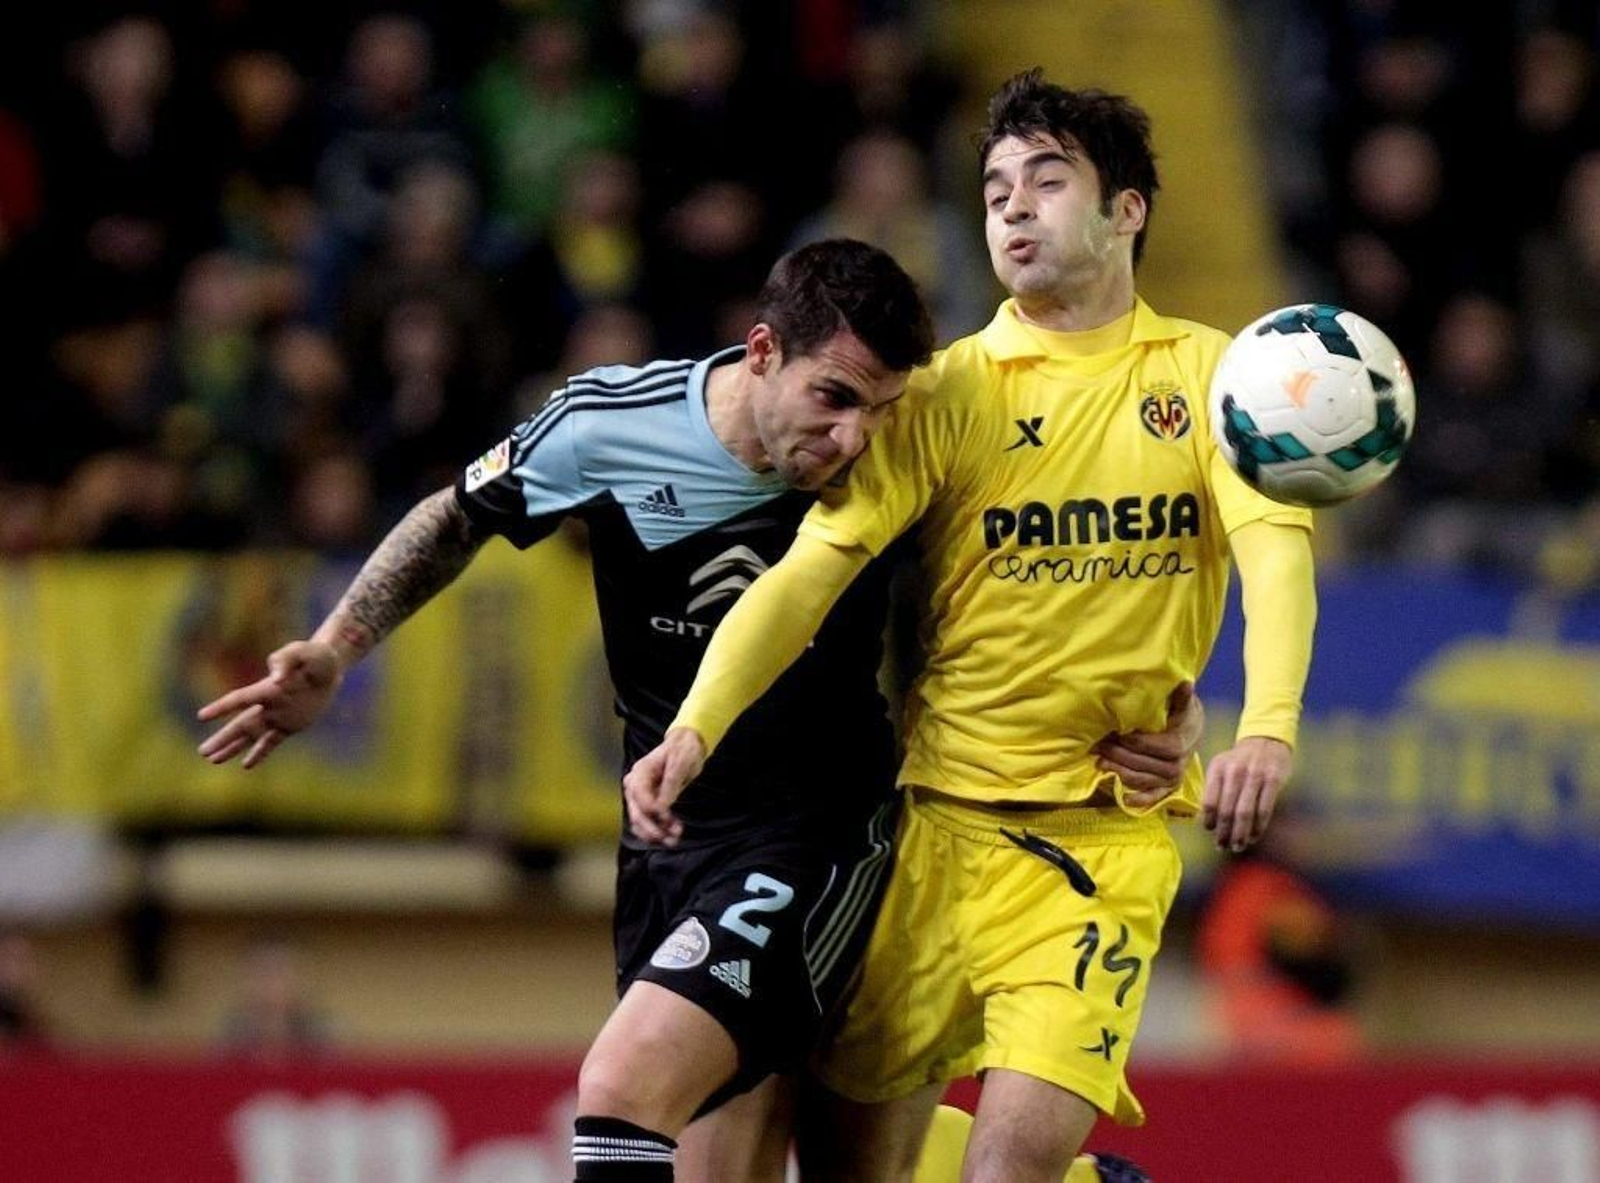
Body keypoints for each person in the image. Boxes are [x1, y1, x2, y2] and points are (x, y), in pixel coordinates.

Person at [625, 70, 1318, 1182]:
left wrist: (1268, 727)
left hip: (1098, 844)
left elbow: (1275, 556)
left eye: (1046, 181)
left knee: (1005, 1168)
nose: (1012, 207)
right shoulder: (946, 394)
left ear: (1125, 210)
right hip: (934, 836)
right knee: (851, 1170)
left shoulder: (1211, 376)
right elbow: (804, 578)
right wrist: (697, 724)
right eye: (995, 190)